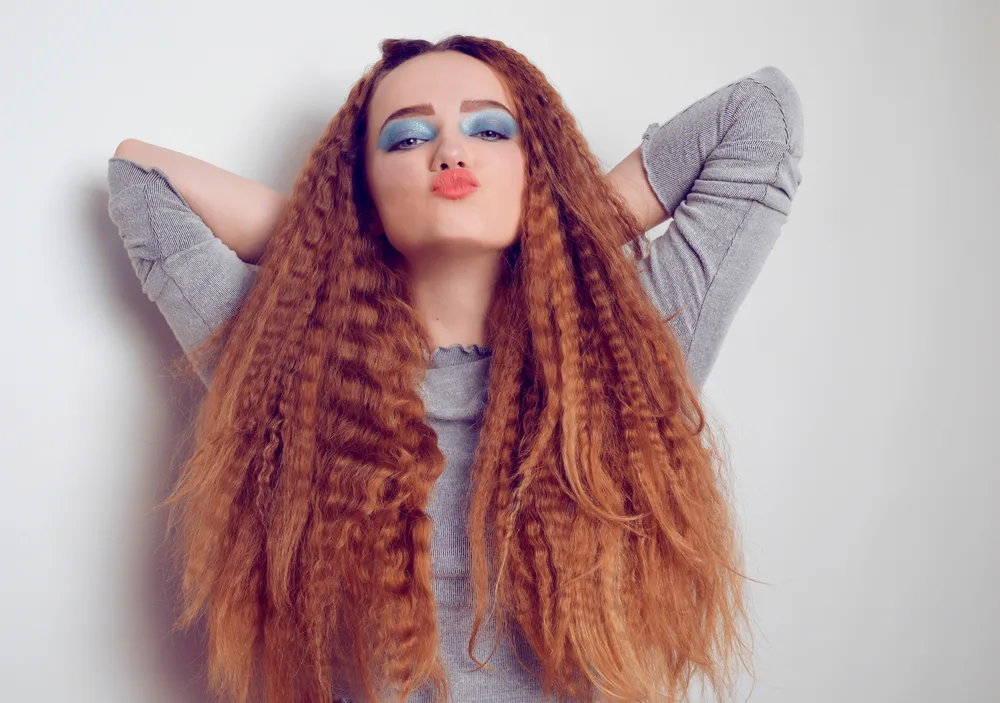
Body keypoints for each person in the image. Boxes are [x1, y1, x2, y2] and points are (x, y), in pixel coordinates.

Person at [107, 35, 804, 703]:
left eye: (491, 131)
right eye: (407, 138)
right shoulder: (294, 360)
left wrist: (565, 224)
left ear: (540, 167)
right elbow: (140, 179)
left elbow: (761, 115)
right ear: (361, 188)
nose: (450, 151)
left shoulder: (627, 347)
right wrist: (332, 236)